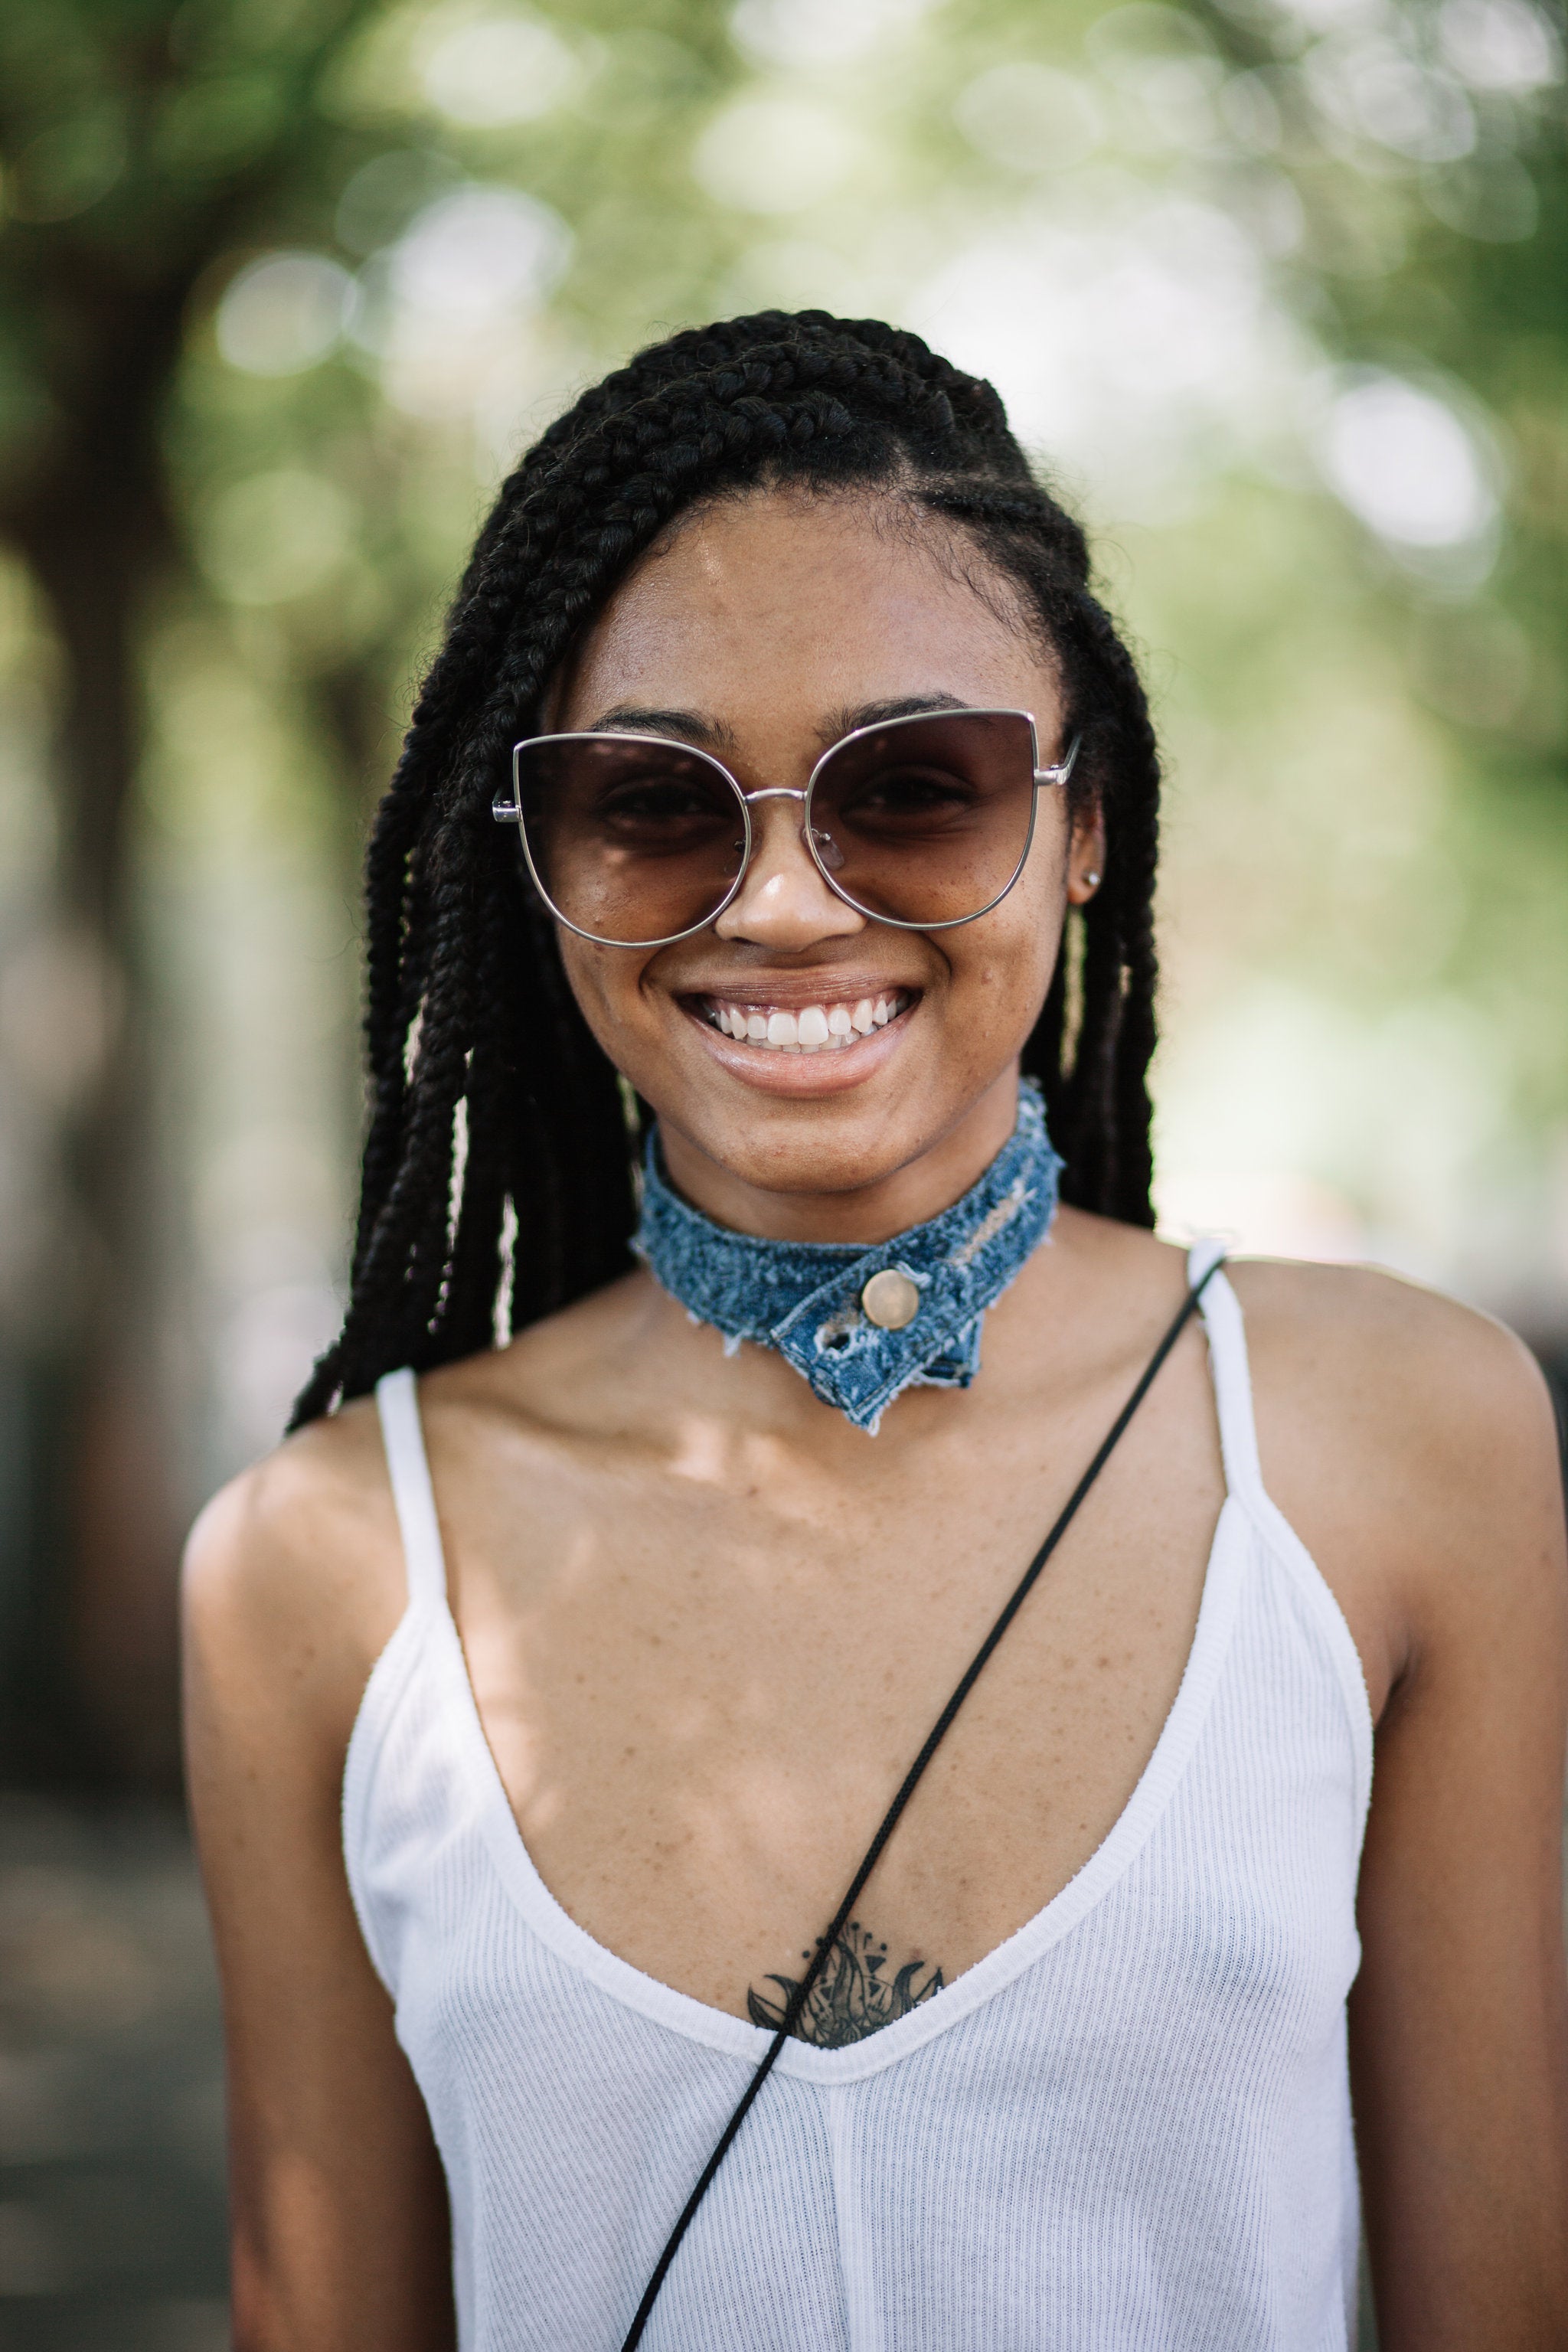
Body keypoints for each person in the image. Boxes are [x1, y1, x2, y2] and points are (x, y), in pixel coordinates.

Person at [183, 312, 1568, 2352]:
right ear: (538, 868)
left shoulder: (1394, 1437)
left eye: (917, 787)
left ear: (1084, 825)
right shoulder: (319, 1568)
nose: (786, 906)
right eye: (653, 804)